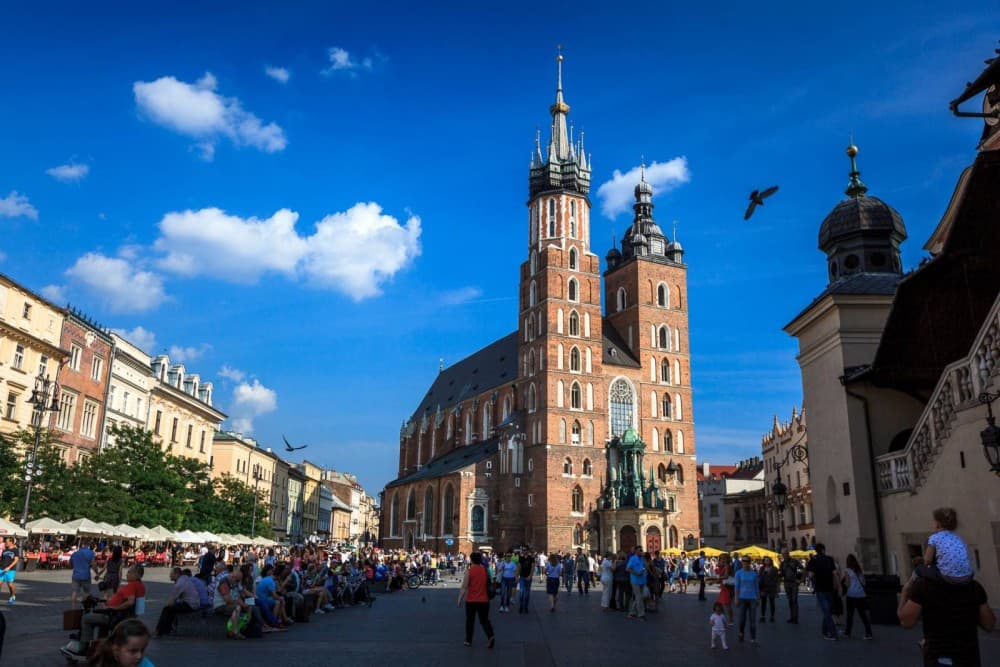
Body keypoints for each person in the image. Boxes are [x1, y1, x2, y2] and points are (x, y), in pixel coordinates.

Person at [898, 568, 995, 666]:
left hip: (939, 658)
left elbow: (906, 622)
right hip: (969, 658)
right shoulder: (973, 587)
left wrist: (905, 592)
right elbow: (989, 625)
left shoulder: (924, 586)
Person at [77, 565, 146, 651]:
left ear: (137, 575)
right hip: (121, 615)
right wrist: (109, 602)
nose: (127, 574)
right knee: (100, 624)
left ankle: (84, 647)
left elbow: (130, 602)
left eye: (129, 572)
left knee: (85, 618)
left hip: (113, 616)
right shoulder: (140, 586)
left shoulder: (132, 585)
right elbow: (135, 605)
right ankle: (100, 647)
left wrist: (114, 608)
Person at [921, 507, 973, 583]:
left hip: (948, 577)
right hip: (968, 576)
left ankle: (906, 590)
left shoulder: (934, 538)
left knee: (919, 570)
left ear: (938, 523)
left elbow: (927, 561)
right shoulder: (958, 538)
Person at [457, 552, 494, 648]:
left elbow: (464, 587)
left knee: (470, 621)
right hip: (484, 600)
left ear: (472, 560)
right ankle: (490, 636)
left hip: (471, 600)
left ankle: (468, 640)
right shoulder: (485, 570)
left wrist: (459, 599)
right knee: (484, 620)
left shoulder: (469, 571)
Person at [806, 543, 841, 641]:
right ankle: (828, 632)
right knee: (828, 611)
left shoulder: (813, 560)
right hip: (829, 588)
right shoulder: (829, 559)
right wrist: (839, 586)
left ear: (816, 551)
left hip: (820, 589)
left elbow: (810, 575)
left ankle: (831, 633)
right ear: (823, 550)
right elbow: (835, 574)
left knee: (826, 611)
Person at [88, 618, 154, 667]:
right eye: (133, 651)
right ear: (116, 650)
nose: (139, 656)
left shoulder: (144, 664)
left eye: (142, 650)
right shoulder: (102, 663)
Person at [154, 567, 200, 637]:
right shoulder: (184, 578)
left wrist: (168, 604)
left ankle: (159, 631)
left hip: (190, 605)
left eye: (171, 574)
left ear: (176, 574)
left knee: (167, 609)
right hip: (195, 603)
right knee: (172, 609)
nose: (170, 575)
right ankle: (167, 630)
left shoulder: (179, 584)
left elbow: (171, 602)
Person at [839, 554, 872, 640]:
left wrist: (843, 585)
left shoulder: (847, 571)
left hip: (851, 595)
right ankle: (869, 633)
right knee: (863, 615)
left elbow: (847, 584)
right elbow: (863, 582)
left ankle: (847, 632)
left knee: (850, 615)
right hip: (860, 594)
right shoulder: (859, 570)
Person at [734, 556, 760, 644]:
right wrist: (736, 598)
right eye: (743, 561)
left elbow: (757, 587)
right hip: (742, 598)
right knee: (742, 619)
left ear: (750, 562)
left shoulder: (754, 574)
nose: (745, 562)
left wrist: (758, 598)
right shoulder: (738, 573)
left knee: (752, 619)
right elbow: (736, 587)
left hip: (752, 598)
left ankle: (753, 637)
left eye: (747, 561)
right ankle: (741, 633)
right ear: (742, 562)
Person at [71, 540, 99, 609]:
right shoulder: (90, 553)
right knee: (86, 592)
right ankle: (83, 607)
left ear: (81, 545)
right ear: (88, 545)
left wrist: (76, 566)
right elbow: (94, 565)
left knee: (75, 591)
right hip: (86, 576)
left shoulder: (75, 553)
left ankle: (73, 608)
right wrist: (97, 573)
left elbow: (70, 563)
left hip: (76, 575)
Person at [779, 549, 803, 623]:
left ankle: (795, 618)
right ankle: (792, 617)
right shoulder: (782, 563)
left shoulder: (794, 561)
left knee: (794, 600)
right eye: (783, 554)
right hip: (786, 583)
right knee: (790, 600)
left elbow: (801, 569)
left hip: (794, 583)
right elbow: (781, 573)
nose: (784, 555)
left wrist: (800, 580)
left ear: (788, 554)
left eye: (785, 554)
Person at [625, 546, 647, 621]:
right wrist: (636, 573)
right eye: (640, 550)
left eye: (642, 550)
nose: (641, 551)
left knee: (639, 597)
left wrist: (644, 560)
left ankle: (632, 612)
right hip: (635, 581)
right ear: (636, 551)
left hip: (642, 580)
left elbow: (646, 566)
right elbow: (627, 569)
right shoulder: (633, 558)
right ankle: (641, 614)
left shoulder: (642, 559)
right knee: (639, 597)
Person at [758, 556, 779, 623]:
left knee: (772, 602)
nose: (767, 561)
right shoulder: (762, 568)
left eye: (768, 560)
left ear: (770, 561)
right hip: (763, 587)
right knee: (763, 602)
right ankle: (763, 616)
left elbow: (777, 578)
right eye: (765, 560)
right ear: (764, 561)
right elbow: (759, 577)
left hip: (772, 587)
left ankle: (772, 616)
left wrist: (777, 587)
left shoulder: (774, 569)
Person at [716, 554, 734, 624]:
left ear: (728, 559)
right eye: (721, 558)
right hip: (724, 587)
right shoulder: (724, 566)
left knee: (727, 605)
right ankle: (724, 618)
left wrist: (719, 578)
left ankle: (730, 620)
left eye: (724, 558)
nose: (723, 560)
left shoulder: (727, 566)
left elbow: (726, 576)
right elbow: (720, 575)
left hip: (727, 588)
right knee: (721, 604)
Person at [0, 537, 19, 605]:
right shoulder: (5, 550)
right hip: (2, 568)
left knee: (10, 584)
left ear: (11, 542)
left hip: (10, 570)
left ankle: (12, 596)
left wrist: (8, 567)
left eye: (7, 542)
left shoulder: (15, 550)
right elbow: (2, 559)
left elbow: (16, 560)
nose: (5, 543)